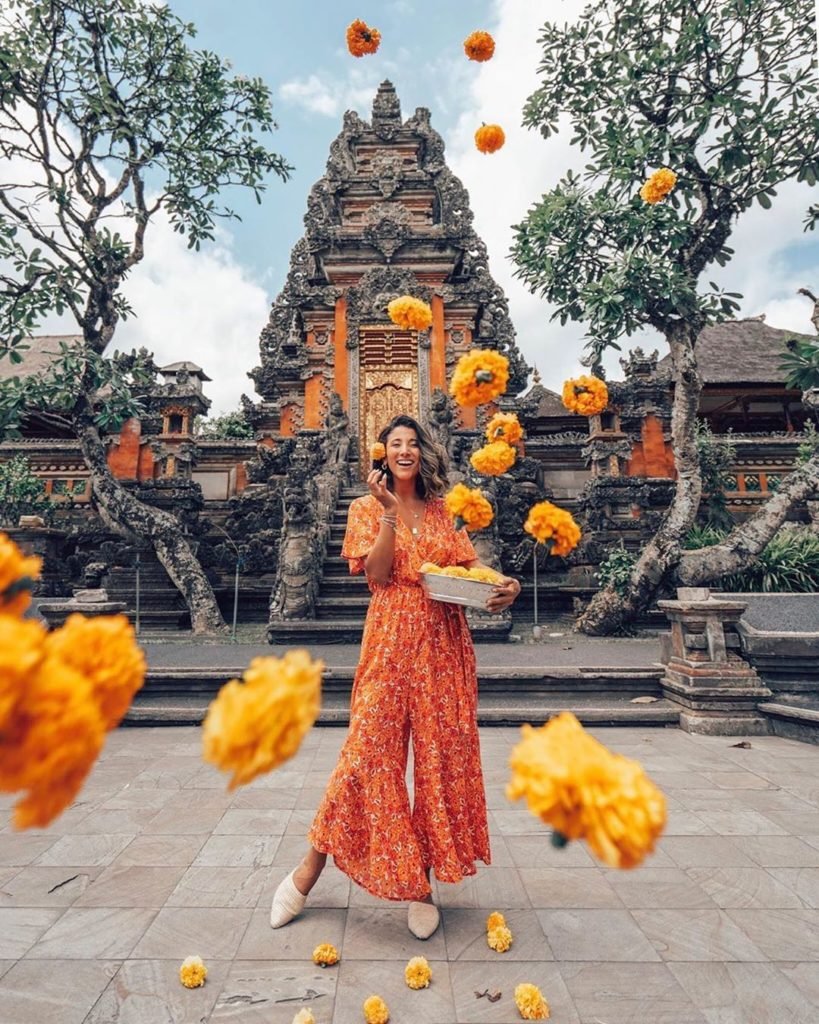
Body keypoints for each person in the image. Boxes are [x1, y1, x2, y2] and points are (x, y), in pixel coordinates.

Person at [269, 414, 521, 939]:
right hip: (388, 640)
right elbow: (379, 575)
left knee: (437, 761)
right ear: (382, 453)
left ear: (423, 451)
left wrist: (505, 585)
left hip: (444, 645)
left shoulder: (444, 511)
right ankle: (306, 872)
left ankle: (421, 884)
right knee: (365, 756)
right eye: (395, 443)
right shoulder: (365, 508)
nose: (404, 450)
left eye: (412, 443)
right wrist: (387, 514)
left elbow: (468, 573)